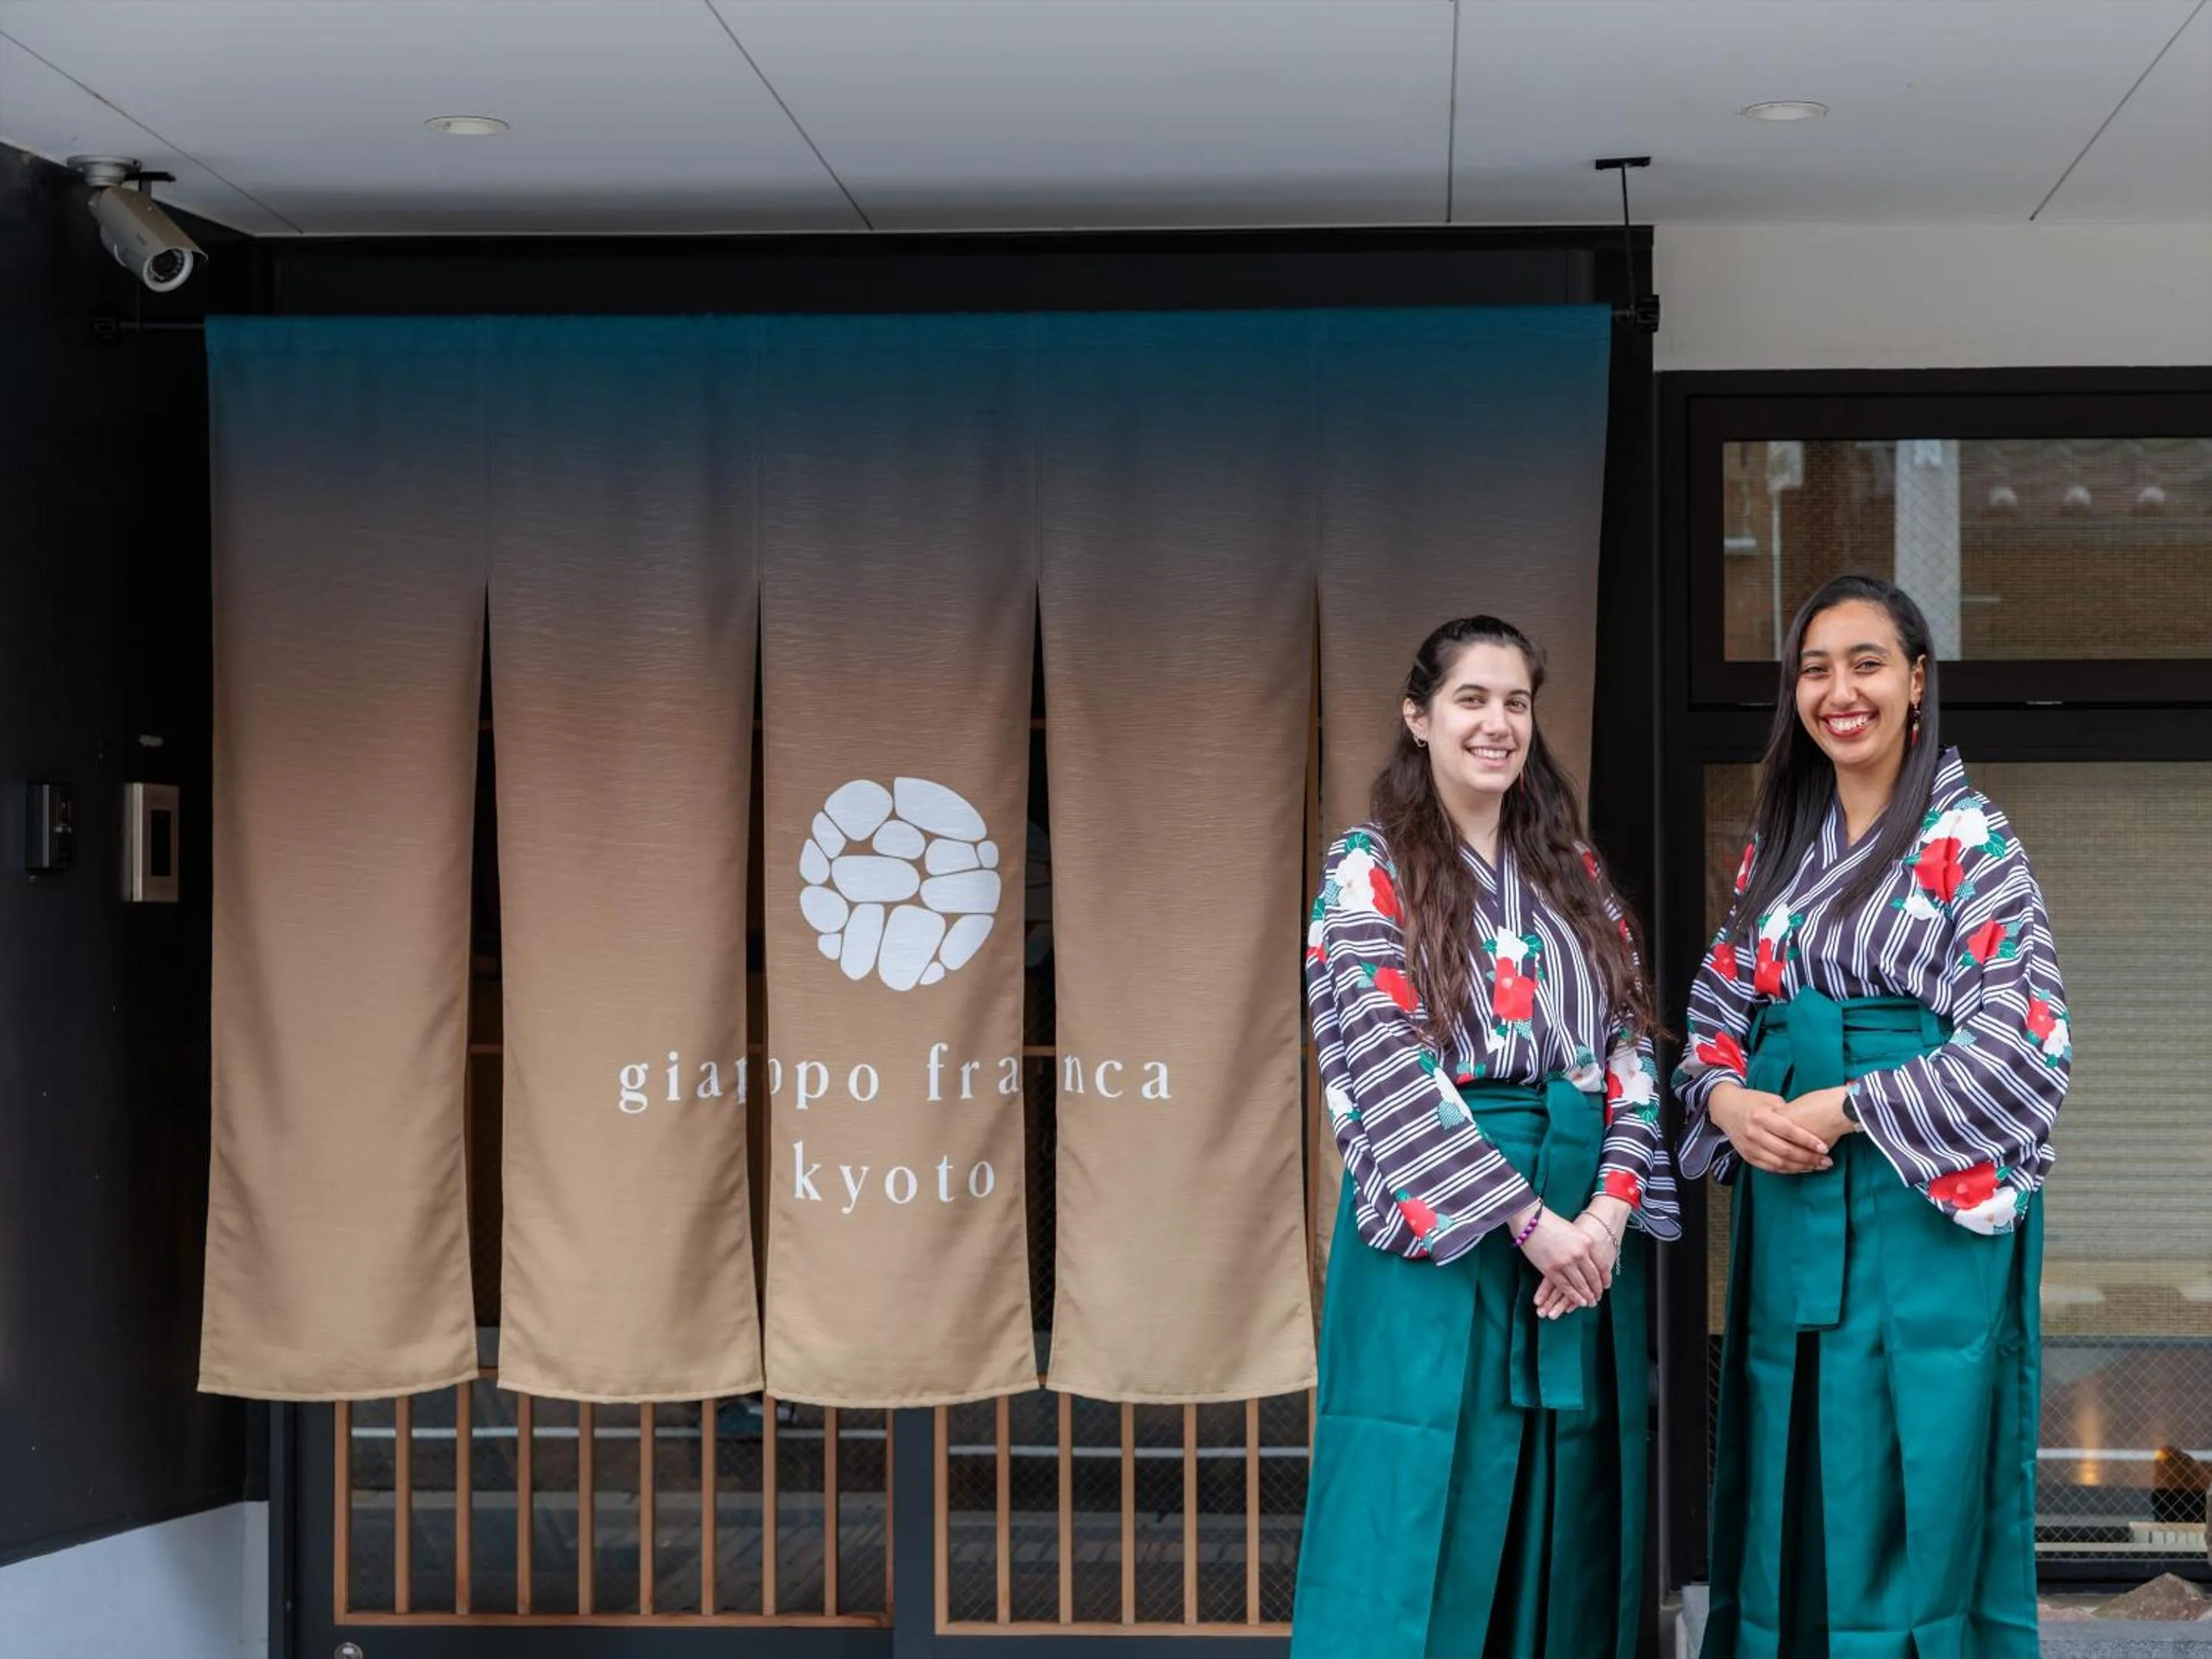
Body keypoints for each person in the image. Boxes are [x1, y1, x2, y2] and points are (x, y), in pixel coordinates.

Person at [1675, 574, 2070, 1658]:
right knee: (1790, 1467)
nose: (1839, 691)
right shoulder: (1777, 846)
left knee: (1920, 1478)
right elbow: (1718, 1006)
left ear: (1916, 682)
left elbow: (2021, 1045)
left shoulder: (1972, 841)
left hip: (1918, 1211)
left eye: (1865, 664)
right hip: (1795, 1195)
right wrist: (1728, 1098)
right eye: (1814, 668)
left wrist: (1850, 1104)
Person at [1292, 614, 1678, 1659]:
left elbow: (1631, 1048)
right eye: (1471, 700)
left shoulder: (1574, 875)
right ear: (1419, 717)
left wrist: (1604, 1213)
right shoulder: (1367, 870)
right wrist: (1527, 1220)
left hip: (1582, 1233)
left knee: (1568, 1514)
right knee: (1418, 1505)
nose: (1497, 724)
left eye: (1516, 702)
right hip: (1448, 1227)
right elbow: (1385, 1062)